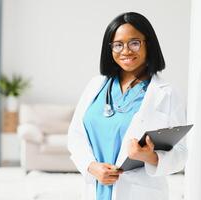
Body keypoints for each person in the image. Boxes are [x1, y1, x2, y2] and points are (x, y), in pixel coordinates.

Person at [67, 12, 187, 200]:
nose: (126, 51)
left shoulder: (166, 94)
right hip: (97, 188)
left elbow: (180, 154)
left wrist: (149, 157)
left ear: (148, 44)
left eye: (134, 43)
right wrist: (91, 167)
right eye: (118, 44)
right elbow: (75, 135)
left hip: (138, 192)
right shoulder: (96, 86)